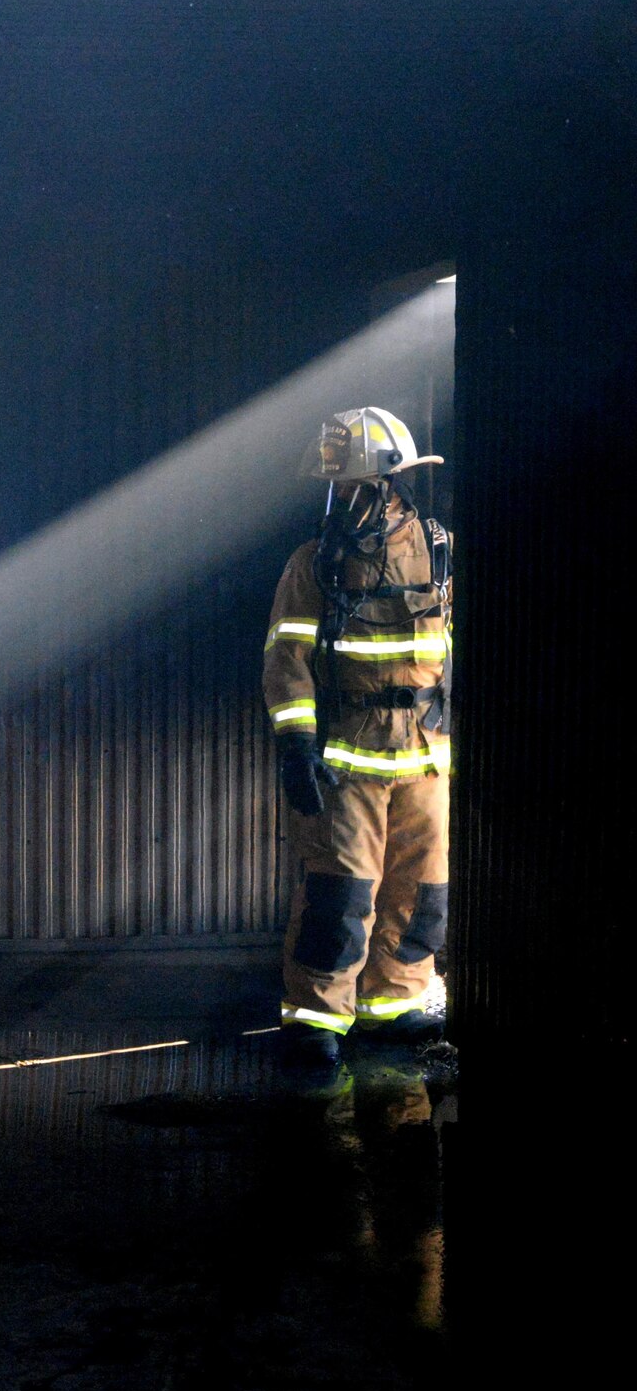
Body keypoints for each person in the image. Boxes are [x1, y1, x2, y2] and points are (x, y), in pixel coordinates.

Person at [264, 407, 452, 1070]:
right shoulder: (311, 564)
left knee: (423, 889)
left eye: (351, 485)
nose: (339, 498)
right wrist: (296, 744)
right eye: (333, 486)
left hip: (426, 755)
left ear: (388, 484)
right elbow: (287, 660)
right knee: (340, 893)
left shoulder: (438, 548)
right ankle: (317, 1016)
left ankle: (394, 1003)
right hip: (348, 758)